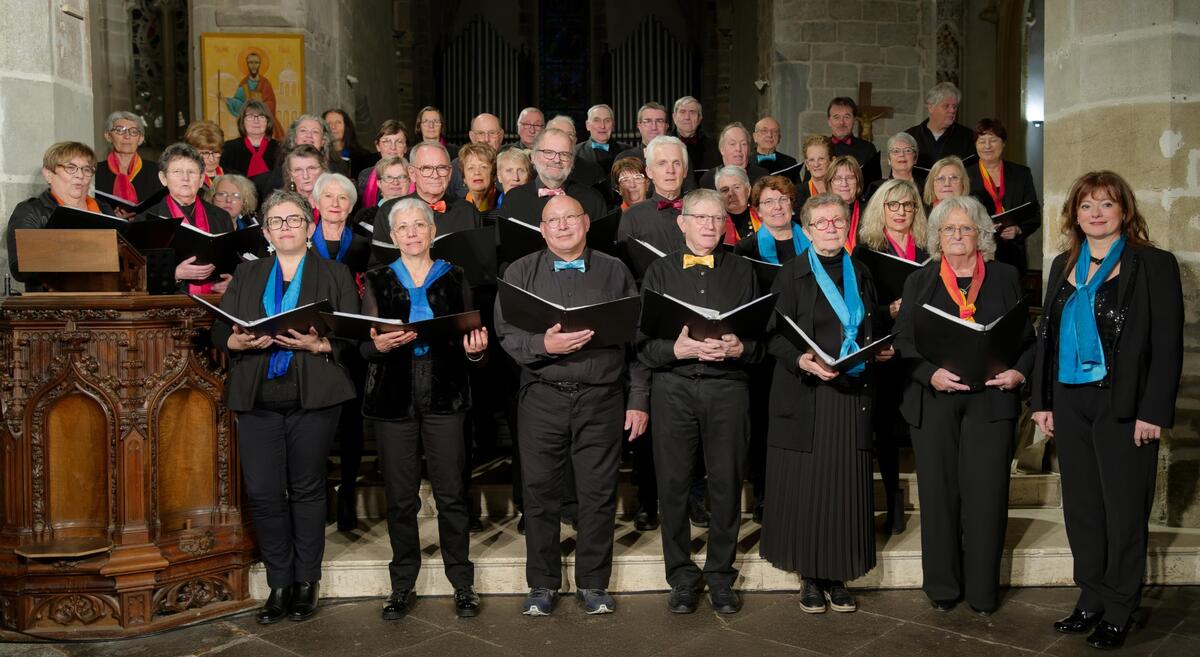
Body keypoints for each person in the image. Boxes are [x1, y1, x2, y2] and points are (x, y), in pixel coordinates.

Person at [1031, 172, 1183, 650]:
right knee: (1082, 507)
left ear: (1124, 211)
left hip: (1124, 403)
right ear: (1074, 214)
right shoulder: (1063, 264)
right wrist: (1042, 402)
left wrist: (1152, 410)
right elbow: (1047, 340)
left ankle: (1121, 604)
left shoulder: (1153, 264)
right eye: (1086, 206)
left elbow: (1168, 344)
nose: (1095, 213)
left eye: (1106, 204)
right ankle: (1091, 597)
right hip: (1070, 400)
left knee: (1122, 509)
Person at [494, 194, 649, 616]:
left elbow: (636, 341)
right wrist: (542, 343)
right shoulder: (520, 271)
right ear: (542, 230)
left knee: (598, 495)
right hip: (542, 396)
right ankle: (542, 584)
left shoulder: (615, 270)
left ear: (584, 223)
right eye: (552, 220)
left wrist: (638, 399)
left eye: (569, 218)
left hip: (602, 398)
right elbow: (505, 333)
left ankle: (594, 584)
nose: (562, 226)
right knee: (540, 493)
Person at [211, 189, 359, 624]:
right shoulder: (249, 274)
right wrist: (234, 340)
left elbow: (352, 336)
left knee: (308, 487)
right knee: (263, 491)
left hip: (313, 394)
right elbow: (221, 332)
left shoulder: (334, 273)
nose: (286, 228)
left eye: (294, 220)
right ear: (267, 232)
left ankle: (306, 580)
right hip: (256, 395)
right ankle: (279, 581)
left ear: (310, 227)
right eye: (277, 222)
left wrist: (321, 343)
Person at [893, 195, 1034, 616]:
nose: (957, 236)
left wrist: (1019, 374)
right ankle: (942, 586)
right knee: (939, 494)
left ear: (982, 235)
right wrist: (928, 373)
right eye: (949, 229)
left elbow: (1028, 340)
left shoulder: (1006, 276)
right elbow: (902, 341)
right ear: (937, 237)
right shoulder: (921, 280)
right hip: (935, 399)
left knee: (987, 496)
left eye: (966, 228)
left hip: (992, 398)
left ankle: (982, 592)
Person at [763, 192, 892, 614]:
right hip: (808, 396)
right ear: (808, 229)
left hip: (852, 395)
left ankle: (837, 576)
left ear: (847, 225)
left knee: (843, 487)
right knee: (807, 489)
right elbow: (773, 335)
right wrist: (801, 359)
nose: (831, 228)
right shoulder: (792, 273)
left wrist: (877, 348)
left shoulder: (864, 272)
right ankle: (810, 578)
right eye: (822, 223)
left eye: (838, 221)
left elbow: (873, 324)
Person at [361, 197, 489, 620]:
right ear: (393, 235)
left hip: (445, 394)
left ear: (433, 232)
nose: (413, 233)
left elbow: (471, 340)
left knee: (452, 494)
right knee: (400, 499)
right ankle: (402, 584)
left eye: (420, 225)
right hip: (393, 397)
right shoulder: (377, 278)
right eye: (404, 227)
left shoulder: (455, 276)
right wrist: (375, 345)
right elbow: (363, 342)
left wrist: (476, 350)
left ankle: (462, 582)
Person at [638, 188, 761, 615]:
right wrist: (679, 350)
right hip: (673, 388)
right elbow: (642, 346)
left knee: (726, 483)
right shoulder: (657, 272)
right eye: (701, 217)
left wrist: (737, 348)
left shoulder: (744, 271)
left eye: (716, 218)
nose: (710, 225)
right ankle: (681, 577)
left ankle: (721, 576)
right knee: (671, 485)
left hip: (728, 387)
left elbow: (761, 342)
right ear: (682, 222)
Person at [853, 178, 929, 534]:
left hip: (922, 349)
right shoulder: (866, 252)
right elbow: (857, 308)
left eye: (908, 205)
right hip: (884, 348)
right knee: (883, 426)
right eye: (893, 205)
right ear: (880, 208)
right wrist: (889, 311)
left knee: (921, 422)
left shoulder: (928, 250)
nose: (901, 212)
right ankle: (893, 498)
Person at [5, 142, 113, 290]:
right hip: (53, 306)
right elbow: (21, 268)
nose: (80, 175)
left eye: (86, 169)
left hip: (108, 299)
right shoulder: (31, 211)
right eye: (71, 168)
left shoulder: (104, 209)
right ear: (49, 174)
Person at [140, 143, 235, 294]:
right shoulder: (146, 220)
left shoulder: (221, 217)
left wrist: (232, 282)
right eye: (177, 171)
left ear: (202, 178)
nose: (185, 178)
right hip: (167, 308)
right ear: (163, 178)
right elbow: (136, 275)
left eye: (191, 172)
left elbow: (233, 265)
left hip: (216, 304)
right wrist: (175, 274)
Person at [966, 119, 1041, 273]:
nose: (987, 146)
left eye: (993, 140)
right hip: (976, 251)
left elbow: (1034, 214)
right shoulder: (965, 175)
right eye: (982, 141)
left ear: (1003, 143)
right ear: (975, 145)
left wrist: (1019, 229)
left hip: (1013, 254)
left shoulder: (1021, 174)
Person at [373, 142, 481, 245]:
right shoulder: (388, 211)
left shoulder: (468, 212)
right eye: (426, 168)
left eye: (442, 168)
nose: (435, 175)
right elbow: (379, 262)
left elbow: (482, 261)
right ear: (412, 173)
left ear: (450, 173)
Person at [500, 128, 606, 228]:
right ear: (533, 157)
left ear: (572, 161)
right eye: (548, 152)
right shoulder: (513, 199)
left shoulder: (593, 200)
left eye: (564, 154)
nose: (556, 160)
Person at [616, 135, 689, 256]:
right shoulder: (632, 216)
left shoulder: (701, 212)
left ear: (685, 171)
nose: (670, 170)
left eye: (676, 163)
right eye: (662, 163)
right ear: (649, 171)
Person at [255, 115, 347, 202]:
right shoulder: (280, 173)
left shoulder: (337, 170)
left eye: (315, 131)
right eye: (303, 131)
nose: (309, 135)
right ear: (294, 138)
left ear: (323, 141)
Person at [94, 111, 163, 214]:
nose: (127, 136)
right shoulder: (94, 171)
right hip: (108, 229)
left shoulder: (157, 171)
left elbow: (163, 208)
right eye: (120, 130)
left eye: (134, 132)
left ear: (141, 139)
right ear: (108, 136)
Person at [735, 175, 809, 264]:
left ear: (791, 205)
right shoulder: (746, 248)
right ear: (758, 211)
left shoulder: (812, 236)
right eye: (769, 202)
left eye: (783, 199)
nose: (778, 207)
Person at [905, 82, 975, 170]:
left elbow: (973, 173)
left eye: (955, 106)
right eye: (946, 106)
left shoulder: (967, 136)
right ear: (931, 107)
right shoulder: (909, 137)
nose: (952, 110)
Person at [311, 173, 370, 274]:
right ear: (317, 203)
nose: (335, 204)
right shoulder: (302, 242)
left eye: (342, 198)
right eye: (328, 196)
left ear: (351, 206)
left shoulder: (364, 245)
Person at [224, 51, 284, 140]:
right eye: (250, 63)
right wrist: (228, 100)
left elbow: (271, 102)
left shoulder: (265, 83)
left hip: (265, 122)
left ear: (260, 64)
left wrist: (259, 106)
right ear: (247, 64)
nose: (253, 65)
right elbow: (239, 102)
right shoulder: (244, 84)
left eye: (256, 62)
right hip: (249, 124)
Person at [827, 97, 883, 186]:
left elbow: (875, 186)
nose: (841, 122)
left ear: (854, 120)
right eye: (836, 117)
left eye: (847, 117)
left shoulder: (868, 149)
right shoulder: (820, 148)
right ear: (829, 121)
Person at [698, 122, 769, 190]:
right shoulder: (709, 179)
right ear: (722, 149)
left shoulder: (762, 177)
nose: (738, 149)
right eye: (732, 144)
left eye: (744, 144)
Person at [220, 100, 279, 179]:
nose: (256, 121)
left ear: (268, 122)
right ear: (242, 122)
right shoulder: (229, 148)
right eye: (250, 117)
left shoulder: (280, 148)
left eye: (261, 117)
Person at [451, 113, 505, 199]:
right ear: (472, 137)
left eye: (492, 133)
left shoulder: (510, 165)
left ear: (501, 136)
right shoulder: (456, 165)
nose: (486, 139)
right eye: (481, 133)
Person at [358, 120, 411, 208]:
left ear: (406, 148)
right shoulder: (364, 176)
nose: (393, 147)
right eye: (386, 142)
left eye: (399, 142)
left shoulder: (416, 176)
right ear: (378, 146)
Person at [353, 156, 409, 237]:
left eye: (401, 177)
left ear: (409, 181)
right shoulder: (364, 217)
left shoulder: (423, 214)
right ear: (379, 183)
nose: (395, 182)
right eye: (388, 177)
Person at [574, 104, 627, 183]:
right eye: (596, 120)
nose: (602, 126)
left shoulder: (628, 152)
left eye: (607, 121)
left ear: (613, 125)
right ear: (588, 125)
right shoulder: (575, 153)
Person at [865, 132, 926, 200]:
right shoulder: (877, 188)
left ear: (915, 159)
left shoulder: (927, 187)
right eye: (896, 151)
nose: (902, 154)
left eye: (908, 150)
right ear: (889, 159)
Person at [825, 156, 865, 253]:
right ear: (830, 183)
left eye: (850, 178)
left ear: (858, 182)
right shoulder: (822, 214)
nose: (844, 183)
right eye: (837, 178)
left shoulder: (871, 212)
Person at [669, 96, 717, 175]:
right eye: (682, 112)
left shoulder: (713, 147)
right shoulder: (662, 145)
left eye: (692, 112)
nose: (687, 117)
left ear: (699, 119)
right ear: (674, 117)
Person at [323, 108, 374, 177]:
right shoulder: (318, 157)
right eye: (329, 123)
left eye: (338, 122)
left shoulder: (363, 157)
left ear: (346, 127)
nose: (333, 127)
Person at [713, 166, 756, 243]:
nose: (731, 194)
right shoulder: (713, 223)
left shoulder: (763, 215)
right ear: (718, 195)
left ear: (748, 190)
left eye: (736, 187)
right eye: (725, 190)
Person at [752, 117, 801, 183]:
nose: (769, 135)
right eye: (764, 131)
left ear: (779, 138)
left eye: (774, 131)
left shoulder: (790, 163)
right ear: (755, 137)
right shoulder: (746, 162)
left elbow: (797, 191)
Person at [282, 145, 329, 212]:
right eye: (298, 170)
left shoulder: (336, 201)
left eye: (311, 168)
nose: (305, 176)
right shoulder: (281, 205)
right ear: (290, 175)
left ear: (323, 170)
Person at [185, 120, 226, 189]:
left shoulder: (233, 177)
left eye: (216, 152)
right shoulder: (186, 181)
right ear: (191, 153)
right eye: (205, 153)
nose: (211, 159)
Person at [459, 143, 499, 213]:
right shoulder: (457, 209)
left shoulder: (505, 203)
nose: (477, 172)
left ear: (493, 174)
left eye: (483, 167)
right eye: (471, 168)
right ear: (464, 177)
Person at [798, 135, 833, 202]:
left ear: (831, 161)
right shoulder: (797, 193)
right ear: (807, 165)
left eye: (821, 159)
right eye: (811, 160)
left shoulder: (841, 190)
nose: (816, 164)